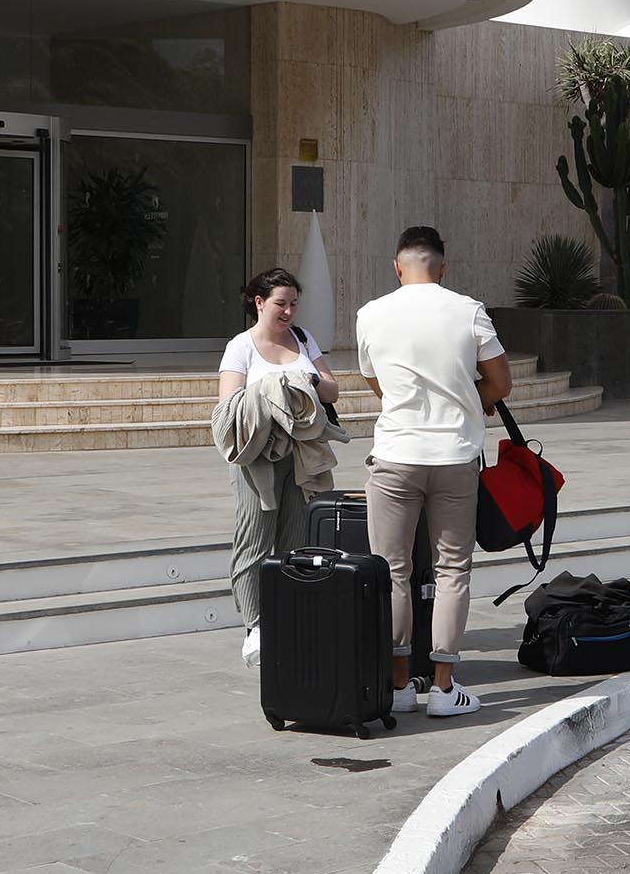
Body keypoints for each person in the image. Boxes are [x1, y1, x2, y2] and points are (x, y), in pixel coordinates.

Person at [354, 225, 510, 718]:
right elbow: (501, 382)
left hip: (396, 456)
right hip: (454, 457)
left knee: (393, 572)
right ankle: (444, 687)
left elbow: (377, 383)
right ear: (443, 268)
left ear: (397, 267)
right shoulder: (468, 311)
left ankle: (399, 683)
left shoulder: (371, 314)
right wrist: (469, 402)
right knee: (451, 572)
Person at [217, 268, 341, 669]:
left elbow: (332, 388)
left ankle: (288, 618)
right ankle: (255, 625)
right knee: (254, 539)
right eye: (280, 303)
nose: (288, 311)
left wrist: (304, 378)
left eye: (293, 304)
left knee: (296, 539)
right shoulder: (241, 347)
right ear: (258, 303)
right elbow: (228, 406)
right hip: (257, 458)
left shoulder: (303, 338)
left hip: (303, 455)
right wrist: (272, 390)